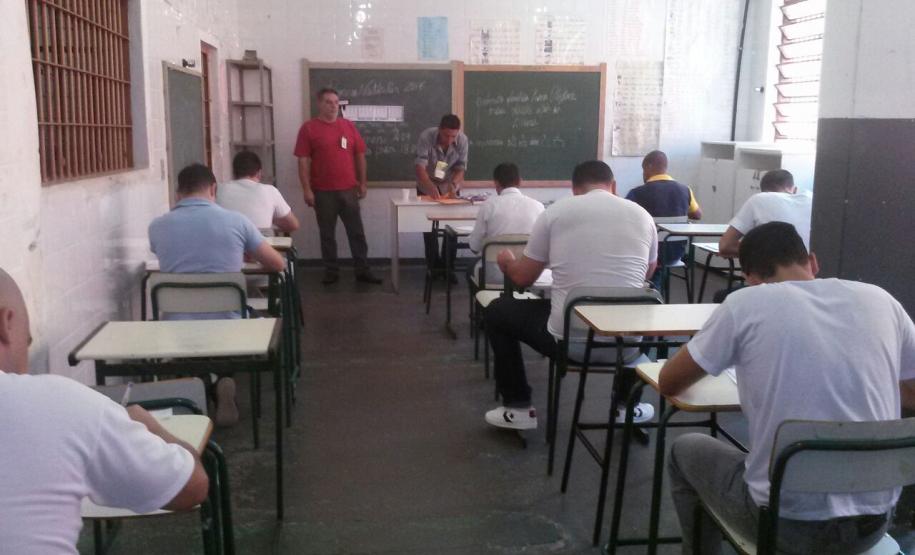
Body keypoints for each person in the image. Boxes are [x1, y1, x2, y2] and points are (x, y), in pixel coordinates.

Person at [659, 222, 915, 555]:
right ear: (813, 261)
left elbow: (669, 382)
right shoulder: (881, 299)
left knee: (685, 450)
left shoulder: (745, 305)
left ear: (749, 278)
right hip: (873, 523)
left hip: (784, 527)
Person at [0, 269, 209, 553]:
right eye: (28, 340)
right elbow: (191, 488)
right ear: (5, 323)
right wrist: (151, 426)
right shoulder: (63, 404)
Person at [483, 161, 658, 430]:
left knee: (497, 311)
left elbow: (523, 279)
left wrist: (506, 261)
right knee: (647, 306)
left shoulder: (556, 212)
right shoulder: (643, 216)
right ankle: (626, 407)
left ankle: (517, 407)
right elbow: (647, 274)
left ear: (574, 189)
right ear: (613, 186)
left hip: (569, 341)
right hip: (626, 346)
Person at [149, 163, 285, 426]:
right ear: (214, 189)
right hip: (228, 321)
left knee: (191, 328)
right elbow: (277, 264)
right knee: (242, 320)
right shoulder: (236, 221)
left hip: (176, 323)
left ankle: (199, 382)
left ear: (178, 192)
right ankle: (223, 378)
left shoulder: (158, 226)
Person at [294, 87, 381, 285]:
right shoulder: (308, 129)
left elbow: (360, 155)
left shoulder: (348, 126)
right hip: (323, 192)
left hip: (349, 190)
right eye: (328, 102)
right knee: (327, 234)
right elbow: (302, 160)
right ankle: (331, 272)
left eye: (336, 102)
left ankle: (362, 270)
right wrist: (306, 189)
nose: (333, 106)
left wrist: (363, 182)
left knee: (357, 233)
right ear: (319, 104)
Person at [625, 150, 701, 289]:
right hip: (676, 252)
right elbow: (697, 215)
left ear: (648, 166)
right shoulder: (685, 190)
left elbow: (623, 216)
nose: (643, 174)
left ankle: (650, 294)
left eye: (643, 170)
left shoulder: (637, 193)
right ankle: (655, 291)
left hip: (648, 252)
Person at [467, 162, 544, 284]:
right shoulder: (538, 207)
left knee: (470, 269)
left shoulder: (488, 206)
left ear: (496, 183)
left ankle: (483, 302)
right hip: (529, 275)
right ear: (520, 181)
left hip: (493, 276)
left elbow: (474, 247)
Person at [415, 114, 469, 276]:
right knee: (429, 229)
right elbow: (420, 167)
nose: (450, 140)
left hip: (449, 185)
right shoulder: (426, 137)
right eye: (446, 135)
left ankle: (448, 268)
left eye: (454, 136)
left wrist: (454, 185)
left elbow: (461, 168)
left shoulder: (463, 140)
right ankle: (433, 268)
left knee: (451, 229)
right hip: (427, 184)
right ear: (439, 130)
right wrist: (430, 187)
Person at [718, 169, 812, 258]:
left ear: (763, 191)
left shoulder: (759, 199)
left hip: (776, 270)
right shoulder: (812, 199)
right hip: (814, 268)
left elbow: (725, 245)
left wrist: (763, 251)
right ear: (795, 190)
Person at [217, 150, 300, 233]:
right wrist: (271, 222)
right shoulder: (270, 191)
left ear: (234, 173)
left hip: (226, 243)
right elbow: (293, 225)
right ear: (259, 173)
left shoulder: (219, 190)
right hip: (261, 244)